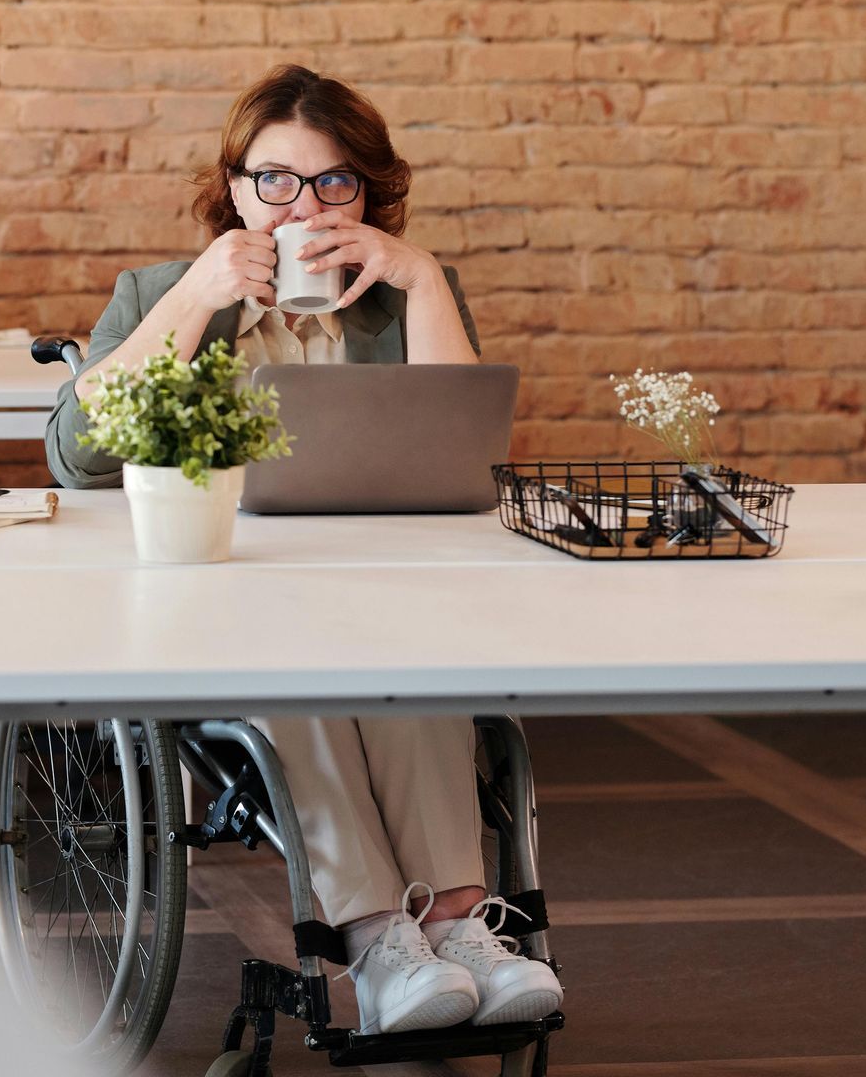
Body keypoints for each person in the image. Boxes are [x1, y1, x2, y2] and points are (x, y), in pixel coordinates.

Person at [46, 64, 563, 1035]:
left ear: (370, 193)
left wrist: (415, 277)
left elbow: (466, 459)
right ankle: (377, 945)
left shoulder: (402, 297)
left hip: (384, 599)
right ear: (235, 187)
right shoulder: (160, 292)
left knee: (411, 673)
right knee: (308, 667)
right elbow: (77, 451)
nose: (302, 205)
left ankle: (458, 931)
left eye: (335, 182)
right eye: (274, 179)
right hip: (227, 607)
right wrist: (200, 294)